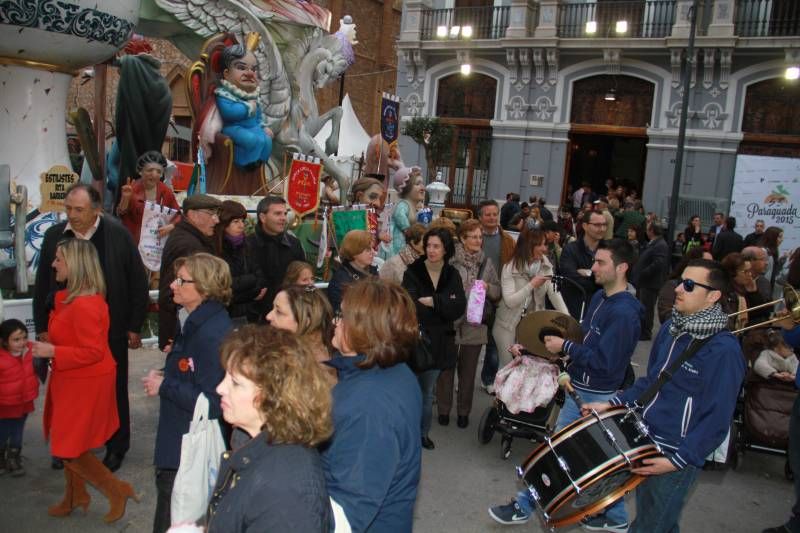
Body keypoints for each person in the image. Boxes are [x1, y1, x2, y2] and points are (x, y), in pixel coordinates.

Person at [583, 259, 746, 533]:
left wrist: (678, 460)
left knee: (651, 526)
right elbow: (651, 382)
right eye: (680, 281)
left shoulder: (724, 350)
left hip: (675, 454)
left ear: (713, 296)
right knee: (658, 521)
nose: (679, 289)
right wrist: (612, 404)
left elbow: (717, 418)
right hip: (645, 439)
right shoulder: (672, 328)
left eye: (690, 285)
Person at [489, 239, 642, 530]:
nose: (593, 267)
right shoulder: (600, 299)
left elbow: (605, 363)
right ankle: (614, 516)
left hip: (598, 395)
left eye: (601, 263)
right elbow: (580, 343)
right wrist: (539, 349)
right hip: (579, 388)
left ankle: (524, 505)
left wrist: (567, 347)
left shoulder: (624, 313)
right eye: (594, 261)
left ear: (622, 268)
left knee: (561, 454)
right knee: (589, 458)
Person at [34, 183, 148, 472]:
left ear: (96, 210)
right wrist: (42, 327)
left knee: (113, 389)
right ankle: (68, 447)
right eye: (68, 209)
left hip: (111, 327)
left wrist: (135, 325)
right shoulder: (53, 236)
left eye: (79, 210)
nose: (72, 215)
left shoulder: (117, 234)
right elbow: (42, 285)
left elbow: (137, 280)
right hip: (67, 329)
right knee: (67, 392)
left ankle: (116, 446)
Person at [33, 239, 137, 523]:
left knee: (69, 447)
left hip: (85, 382)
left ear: (76, 265)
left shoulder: (85, 305)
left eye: (59, 259)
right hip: (73, 378)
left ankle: (117, 490)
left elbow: (92, 351)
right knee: (71, 441)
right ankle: (74, 496)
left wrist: (53, 351)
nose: (53, 264)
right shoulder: (73, 299)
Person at [206, 326, 332, 531]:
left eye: (235, 383)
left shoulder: (286, 486)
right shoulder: (258, 448)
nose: (220, 388)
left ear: (273, 396)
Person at [143, 253, 233, 533]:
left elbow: (214, 402)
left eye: (182, 280)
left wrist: (165, 385)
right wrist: (169, 372)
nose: (173, 285)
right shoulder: (198, 321)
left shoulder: (210, 333)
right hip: (181, 441)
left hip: (185, 450)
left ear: (204, 287)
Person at [322, 279, 422, 532]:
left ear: (363, 329)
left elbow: (345, 517)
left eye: (342, 316)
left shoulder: (368, 405)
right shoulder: (395, 371)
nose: (336, 322)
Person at [402, 227, 466, 450]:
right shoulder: (413, 271)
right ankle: (405, 433)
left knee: (427, 392)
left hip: (439, 343)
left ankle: (422, 433)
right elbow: (408, 303)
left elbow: (458, 306)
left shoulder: (452, 274)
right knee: (409, 390)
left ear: (446, 249)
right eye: (428, 245)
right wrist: (441, 305)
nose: (431, 250)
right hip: (415, 338)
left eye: (436, 246)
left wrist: (435, 302)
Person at [438, 219, 501, 429]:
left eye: (480, 237)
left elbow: (497, 291)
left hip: (474, 323)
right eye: (473, 236)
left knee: (468, 371)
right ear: (462, 239)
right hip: (450, 321)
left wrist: (488, 286)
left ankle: (464, 412)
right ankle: (444, 410)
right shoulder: (449, 261)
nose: (478, 240)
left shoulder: (486, 262)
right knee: (447, 368)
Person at [492, 227, 568, 367]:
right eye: (540, 244)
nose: (544, 248)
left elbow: (554, 294)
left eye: (545, 244)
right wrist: (532, 284)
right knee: (508, 367)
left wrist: (568, 319)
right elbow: (509, 301)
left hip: (532, 325)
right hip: (507, 325)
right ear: (528, 246)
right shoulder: (510, 267)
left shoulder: (546, 266)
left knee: (527, 368)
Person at [158, 193, 222, 350]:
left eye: (217, 215)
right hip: (186, 327)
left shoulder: (193, 239)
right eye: (212, 214)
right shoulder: (188, 246)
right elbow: (173, 287)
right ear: (193, 214)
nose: (217, 220)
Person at [478, 199, 515, 394]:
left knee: (493, 340)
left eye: (495, 214)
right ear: (480, 217)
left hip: (498, 294)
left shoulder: (507, 240)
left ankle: (488, 378)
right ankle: (463, 378)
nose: (492, 218)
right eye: (488, 214)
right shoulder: (473, 236)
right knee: (470, 341)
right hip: (474, 295)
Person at [215, 43, 273, 168]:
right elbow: (229, 112)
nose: (250, 73)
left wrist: (263, 126)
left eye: (253, 69)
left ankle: (259, 163)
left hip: (253, 127)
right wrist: (247, 108)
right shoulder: (224, 94)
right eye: (242, 68)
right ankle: (244, 162)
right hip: (234, 127)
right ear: (226, 73)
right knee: (250, 139)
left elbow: (258, 116)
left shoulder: (253, 96)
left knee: (267, 140)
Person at [247, 196, 306, 318]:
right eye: (278, 214)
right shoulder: (247, 246)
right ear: (263, 217)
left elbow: (303, 276)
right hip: (255, 316)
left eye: (285, 213)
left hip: (289, 312)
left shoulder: (294, 244)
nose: (283, 218)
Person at [266, 284, 336, 380]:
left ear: (307, 321)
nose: (268, 316)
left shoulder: (316, 372)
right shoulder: (286, 353)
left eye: (279, 312)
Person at [213, 200, 266, 324]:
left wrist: (248, 285)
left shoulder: (247, 245)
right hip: (225, 315)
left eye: (242, 221)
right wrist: (251, 284)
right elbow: (224, 287)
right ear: (224, 223)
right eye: (236, 221)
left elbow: (261, 278)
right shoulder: (215, 249)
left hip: (249, 314)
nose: (241, 225)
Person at [0, 319, 38, 477]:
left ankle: (14, 458)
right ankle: (1, 457)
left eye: (24, 337)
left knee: (17, 431)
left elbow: (49, 362)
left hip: (25, 401)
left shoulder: (31, 350)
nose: (22, 342)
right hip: (5, 404)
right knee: (3, 432)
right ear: (3, 341)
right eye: (16, 339)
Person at [117, 151, 181, 243]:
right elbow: (122, 214)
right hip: (135, 240)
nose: (154, 174)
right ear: (140, 171)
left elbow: (178, 215)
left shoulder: (166, 191)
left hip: (157, 242)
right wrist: (125, 199)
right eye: (150, 170)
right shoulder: (133, 189)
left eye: (158, 171)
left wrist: (171, 226)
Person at [558, 210, 606, 320]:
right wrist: (598, 280)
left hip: (600, 310)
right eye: (597, 225)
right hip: (574, 308)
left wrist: (588, 273)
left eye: (604, 225)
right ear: (585, 226)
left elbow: (612, 279)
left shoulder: (609, 250)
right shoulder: (570, 249)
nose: (602, 229)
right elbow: (570, 278)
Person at [631, 221, 670, 341]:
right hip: (645, 282)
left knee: (647, 308)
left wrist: (644, 272)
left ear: (652, 231)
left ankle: (645, 331)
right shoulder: (654, 243)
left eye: (648, 229)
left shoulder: (660, 245)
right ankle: (642, 329)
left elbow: (659, 263)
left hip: (650, 283)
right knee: (643, 306)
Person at [327, 230, 378, 312]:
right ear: (354, 251)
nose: (373, 252)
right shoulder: (340, 281)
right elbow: (340, 314)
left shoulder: (373, 272)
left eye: (373, 248)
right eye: (368, 249)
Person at [657, 247, 711, 324]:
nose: (712, 268)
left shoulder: (712, 288)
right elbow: (666, 316)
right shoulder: (672, 286)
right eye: (707, 264)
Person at [388, 166, 426, 257]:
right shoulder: (403, 204)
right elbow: (399, 215)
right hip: (398, 245)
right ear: (406, 188)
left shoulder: (414, 207)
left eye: (422, 184)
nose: (423, 188)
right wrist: (409, 231)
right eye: (418, 184)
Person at [720, 253, 752, 331]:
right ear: (733, 273)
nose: (750, 274)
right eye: (745, 271)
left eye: (750, 271)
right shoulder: (727, 294)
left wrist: (754, 292)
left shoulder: (743, 291)